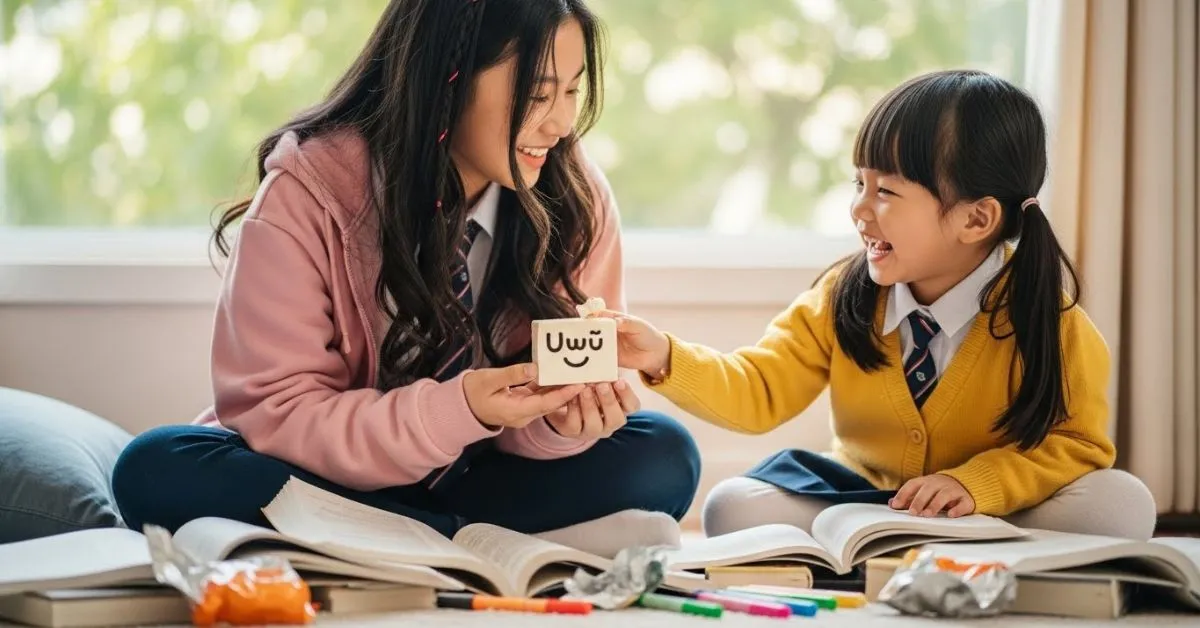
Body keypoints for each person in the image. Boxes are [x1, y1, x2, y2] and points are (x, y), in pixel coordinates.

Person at [111, 0, 700, 557]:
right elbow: (277, 412)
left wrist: (560, 425)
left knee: (665, 455)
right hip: (328, 475)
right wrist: (455, 410)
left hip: (482, 481)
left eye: (572, 92)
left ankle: (400, 541)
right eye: (539, 93)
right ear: (449, 77)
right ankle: (464, 540)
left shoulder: (574, 198)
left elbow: (549, 416)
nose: (563, 124)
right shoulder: (309, 193)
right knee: (158, 467)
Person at [604, 70, 1156, 541]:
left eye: (886, 192)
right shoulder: (841, 299)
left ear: (976, 219)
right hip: (866, 495)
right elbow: (759, 388)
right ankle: (928, 548)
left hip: (993, 505)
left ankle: (944, 545)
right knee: (732, 505)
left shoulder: (1049, 323)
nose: (859, 210)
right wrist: (663, 356)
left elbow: (1076, 445)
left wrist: (976, 485)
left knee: (1120, 503)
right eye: (859, 184)